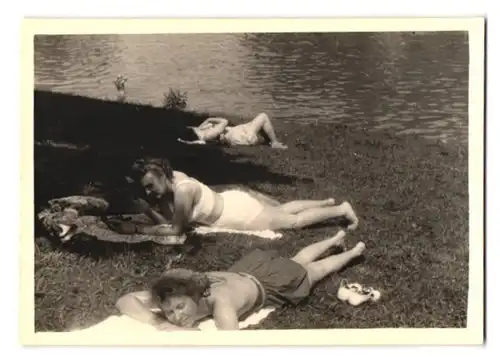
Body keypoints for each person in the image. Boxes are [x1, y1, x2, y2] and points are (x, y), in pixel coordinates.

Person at [115, 230, 366, 330]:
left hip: (272, 284)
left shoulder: (220, 302)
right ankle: (335, 238)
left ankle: (353, 251)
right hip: (249, 269)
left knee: (315, 270)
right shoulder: (178, 291)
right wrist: (157, 321)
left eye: (180, 307)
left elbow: (230, 347)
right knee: (297, 258)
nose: (175, 316)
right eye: (169, 311)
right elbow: (124, 300)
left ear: (197, 295)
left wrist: (181, 333)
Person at [104, 158, 359, 238]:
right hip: (231, 201)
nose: (149, 192)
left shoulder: (182, 191)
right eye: (145, 188)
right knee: (283, 209)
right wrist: (149, 208)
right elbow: (171, 219)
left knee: (292, 222)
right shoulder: (175, 179)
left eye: (150, 185)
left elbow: (175, 230)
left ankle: (341, 210)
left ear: (161, 174)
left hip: (237, 213)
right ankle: (325, 203)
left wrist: (136, 227)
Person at [178, 112, 288, 149]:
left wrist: (201, 126)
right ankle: (274, 143)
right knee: (263, 116)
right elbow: (224, 122)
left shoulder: (201, 133)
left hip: (238, 134)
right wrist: (209, 119)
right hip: (243, 138)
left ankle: (268, 140)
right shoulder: (208, 134)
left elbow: (195, 131)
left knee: (251, 124)